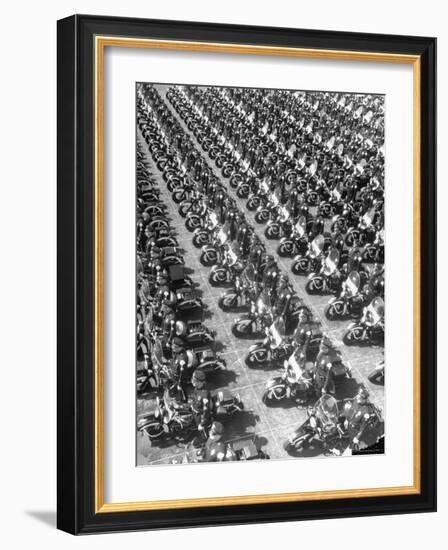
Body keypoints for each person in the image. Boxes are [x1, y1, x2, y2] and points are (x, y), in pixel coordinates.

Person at [190, 370, 212, 442]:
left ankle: (206, 440)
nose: (192, 381)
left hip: (199, 414)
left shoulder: (204, 395)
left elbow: (206, 411)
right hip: (195, 407)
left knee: (202, 430)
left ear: (199, 382)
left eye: (194, 380)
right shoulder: (197, 387)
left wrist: (202, 424)